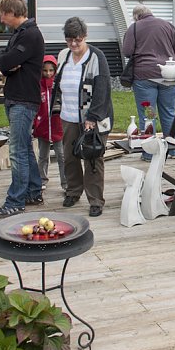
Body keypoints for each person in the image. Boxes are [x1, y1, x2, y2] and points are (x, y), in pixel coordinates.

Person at [0, 0, 45, 219]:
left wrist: (9, 63)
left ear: (12, 13)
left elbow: (5, 61)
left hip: (23, 99)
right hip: (17, 98)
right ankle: (33, 191)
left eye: (2, 14)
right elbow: (6, 62)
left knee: (17, 151)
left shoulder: (30, 35)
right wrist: (8, 63)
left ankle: (16, 201)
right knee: (24, 148)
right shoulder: (20, 34)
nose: (1, 19)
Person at [52, 17, 114, 217]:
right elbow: (57, 85)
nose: (73, 44)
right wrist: (56, 109)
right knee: (69, 156)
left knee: (92, 157)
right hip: (68, 116)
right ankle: (73, 191)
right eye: (69, 40)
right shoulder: (63, 55)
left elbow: (103, 90)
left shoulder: (97, 57)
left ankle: (95, 200)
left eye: (77, 40)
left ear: (85, 36)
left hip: (92, 119)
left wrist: (92, 117)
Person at [121, 4, 175, 160]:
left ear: (136, 16)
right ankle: (174, 150)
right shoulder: (168, 26)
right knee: (169, 112)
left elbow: (127, 51)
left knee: (148, 115)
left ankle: (149, 153)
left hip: (144, 76)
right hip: (168, 76)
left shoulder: (134, 28)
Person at [34, 55, 66, 193]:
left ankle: (66, 182)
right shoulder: (37, 86)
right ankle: (42, 179)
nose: (48, 73)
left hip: (58, 125)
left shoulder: (59, 86)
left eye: (51, 70)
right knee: (43, 156)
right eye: (45, 70)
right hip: (43, 126)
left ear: (55, 70)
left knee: (62, 156)